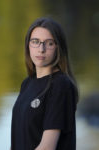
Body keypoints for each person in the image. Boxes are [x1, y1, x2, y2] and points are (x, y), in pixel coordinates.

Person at [10, 17, 79, 150]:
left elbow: (47, 147)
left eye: (49, 43)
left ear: (58, 47)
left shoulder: (61, 85)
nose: (41, 49)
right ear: (28, 45)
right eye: (35, 42)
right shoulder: (27, 83)